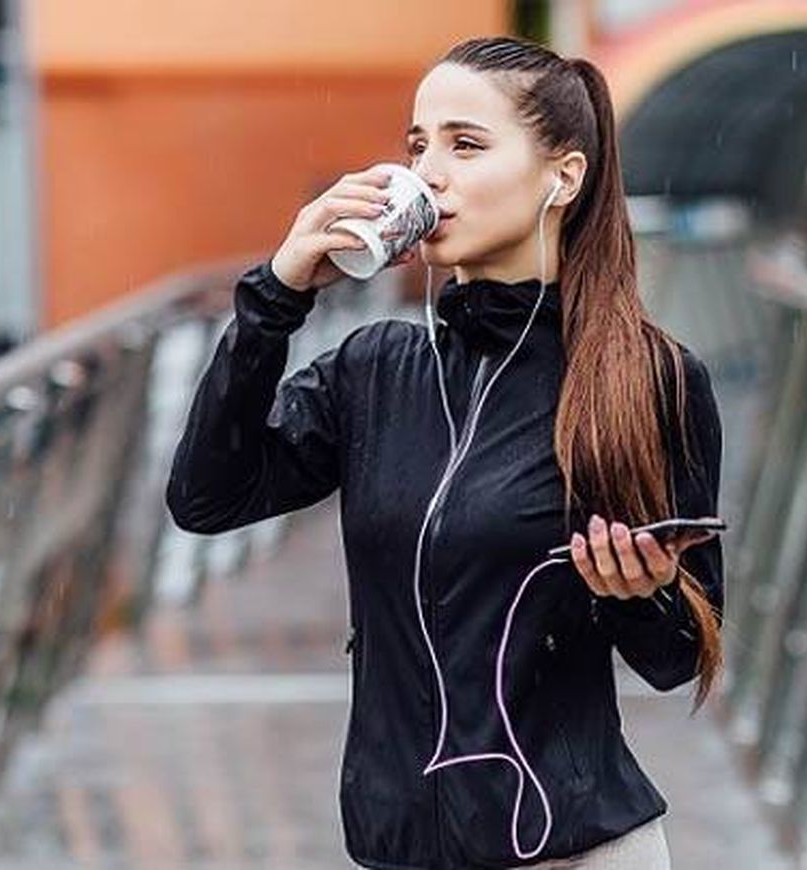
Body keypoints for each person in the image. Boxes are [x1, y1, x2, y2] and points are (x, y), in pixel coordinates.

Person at [166, 34, 724, 870]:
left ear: (562, 178)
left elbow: (677, 656)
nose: (429, 173)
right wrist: (275, 298)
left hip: (573, 850)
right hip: (399, 849)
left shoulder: (645, 378)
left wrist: (634, 593)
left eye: (466, 145)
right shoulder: (374, 371)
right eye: (417, 145)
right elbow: (207, 498)